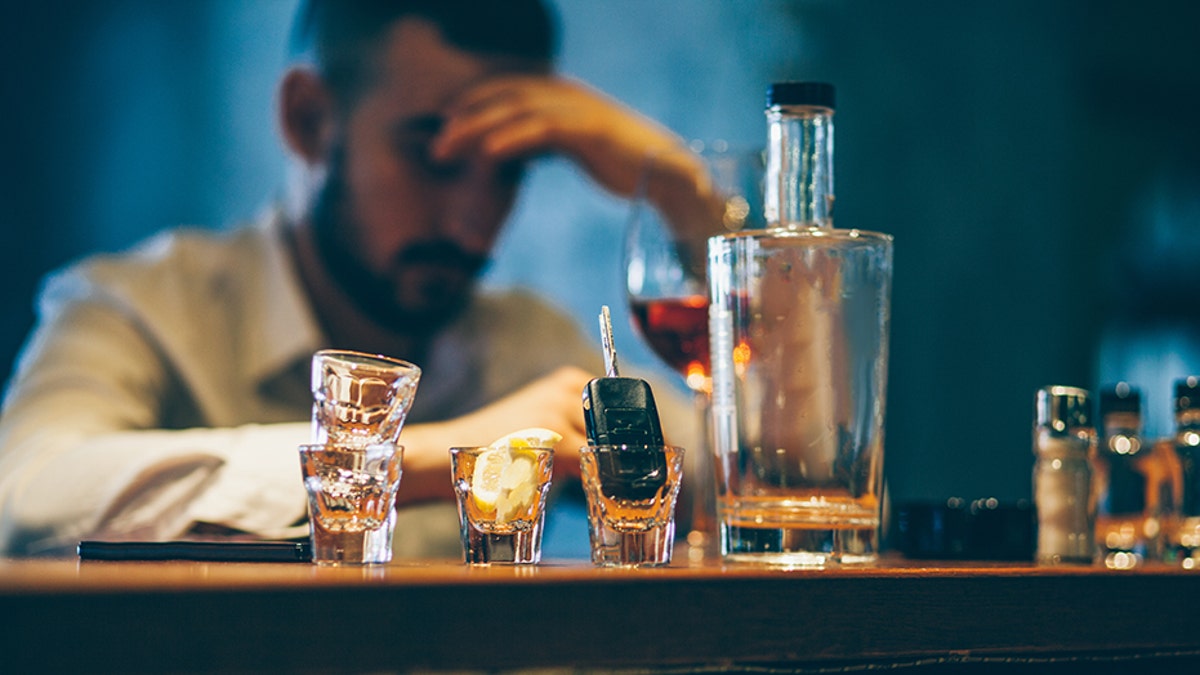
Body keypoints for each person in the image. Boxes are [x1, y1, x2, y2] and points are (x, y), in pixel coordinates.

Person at [0, 0, 707, 557]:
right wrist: (432, 455)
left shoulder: (525, 342)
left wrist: (683, 194)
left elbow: (766, 482)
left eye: (510, 172)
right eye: (433, 155)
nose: (473, 225)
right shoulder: (133, 305)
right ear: (308, 120)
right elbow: (24, 496)